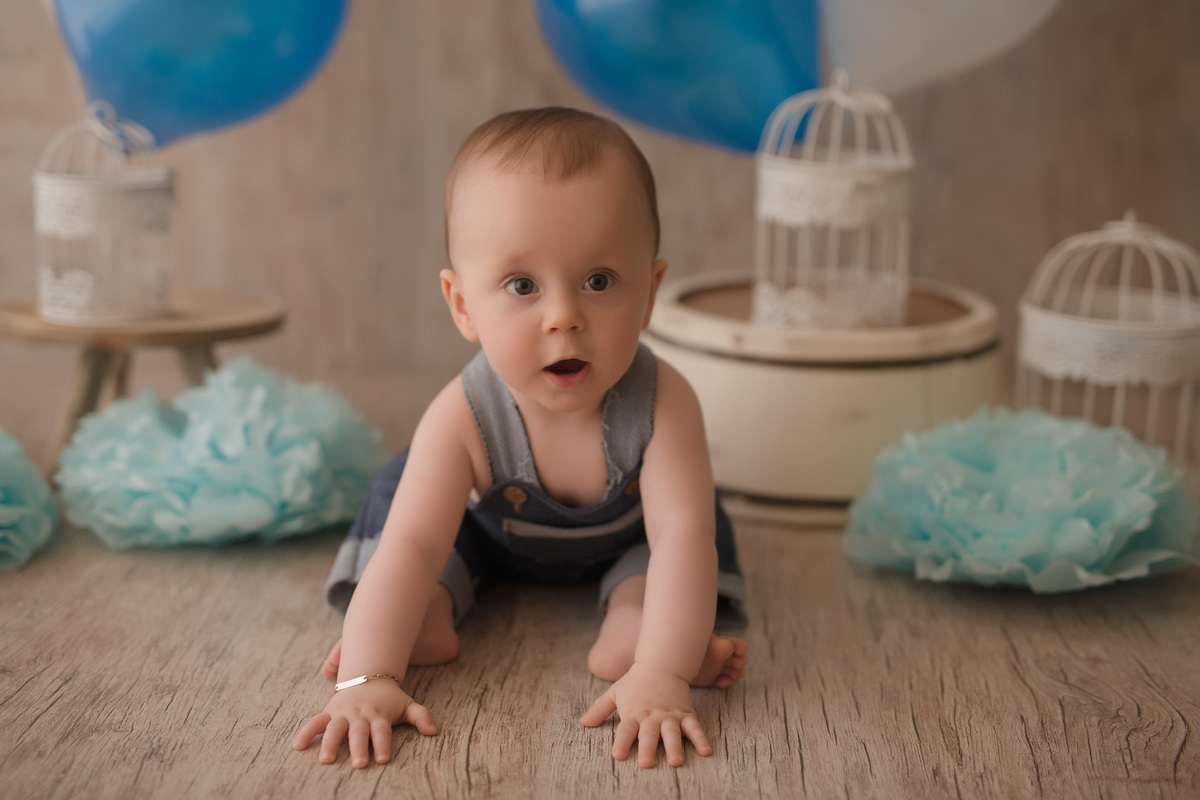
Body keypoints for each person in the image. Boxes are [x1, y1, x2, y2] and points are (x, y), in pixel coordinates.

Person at [293, 107, 749, 770]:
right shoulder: (462, 416)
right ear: (462, 306)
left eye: (598, 281)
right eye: (521, 285)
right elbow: (415, 542)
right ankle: (433, 614)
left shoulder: (665, 404)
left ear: (650, 293)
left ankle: (637, 636)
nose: (563, 316)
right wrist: (365, 679)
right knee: (410, 541)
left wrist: (666, 672)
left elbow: (681, 537)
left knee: (672, 563)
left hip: (629, 539)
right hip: (490, 536)